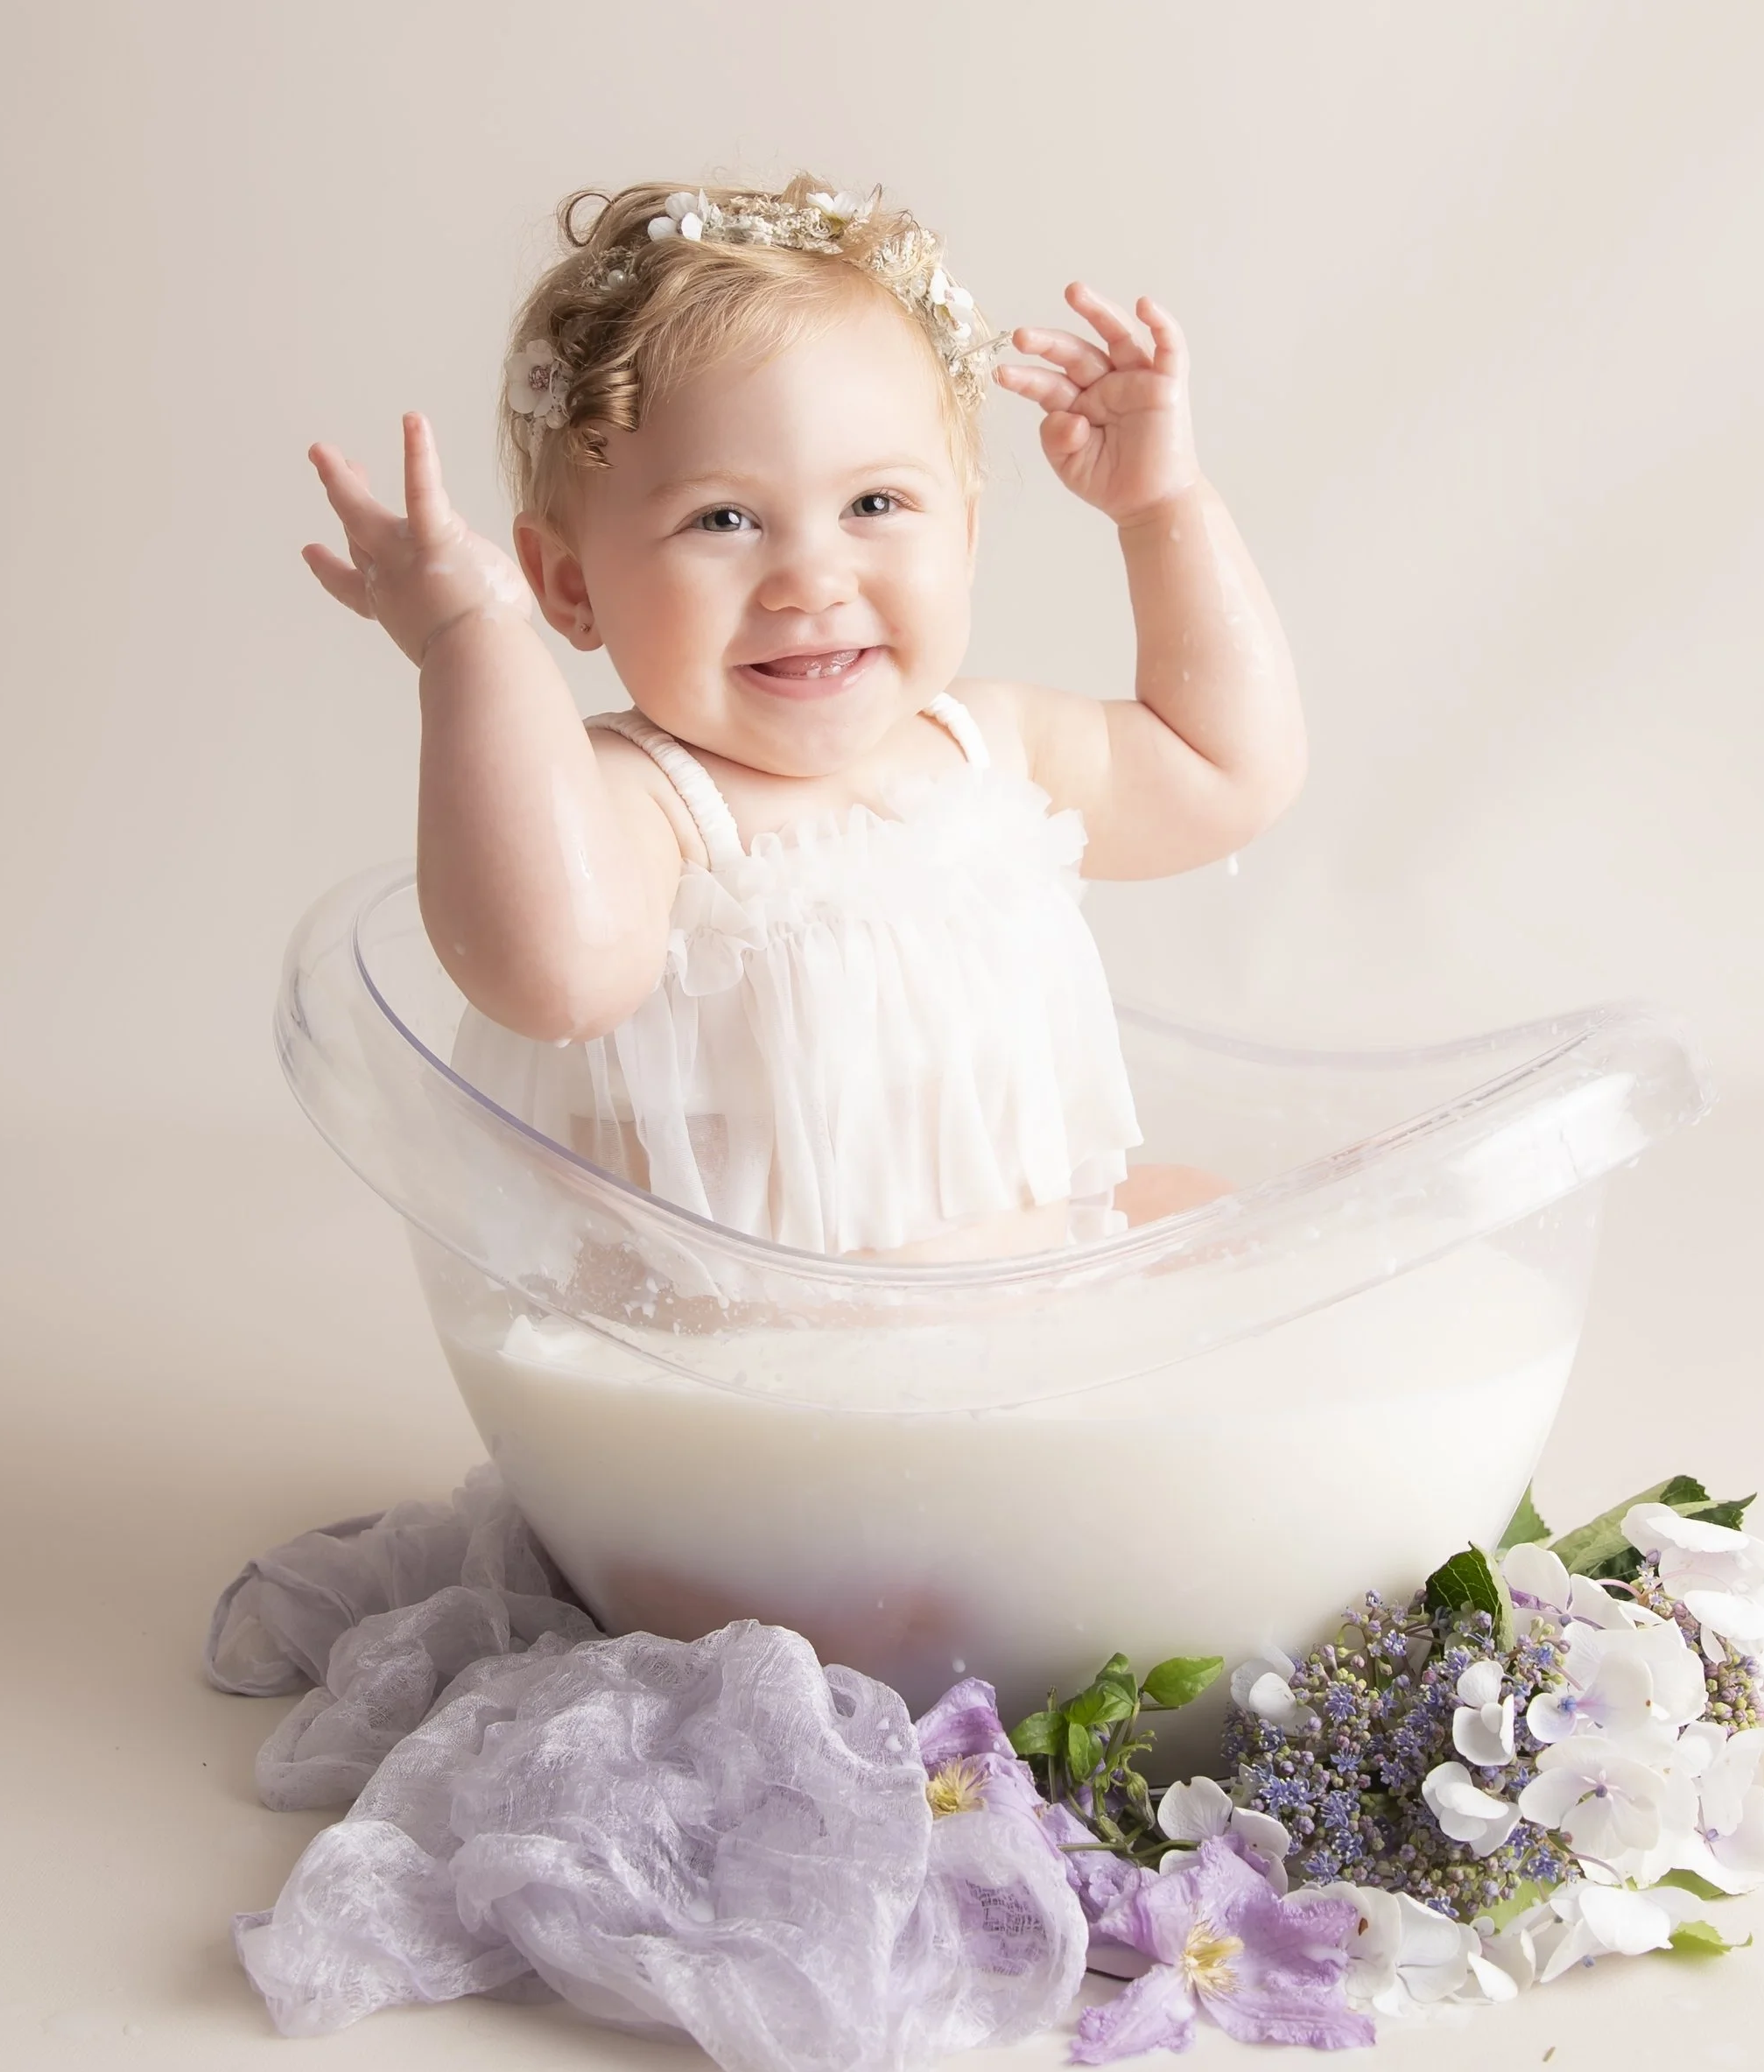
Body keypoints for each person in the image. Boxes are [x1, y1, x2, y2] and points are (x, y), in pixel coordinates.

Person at [304, 177, 1304, 1262]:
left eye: (874, 503)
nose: (811, 579)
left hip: (1008, 1297)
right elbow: (553, 977)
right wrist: (472, 642)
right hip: (738, 1357)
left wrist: (1165, 510)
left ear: (963, 537)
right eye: (722, 518)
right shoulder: (643, 803)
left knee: (1217, 1216)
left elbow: (1227, 772)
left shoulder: (988, 746)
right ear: (568, 584)